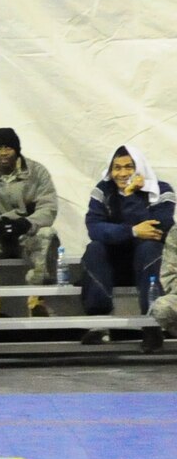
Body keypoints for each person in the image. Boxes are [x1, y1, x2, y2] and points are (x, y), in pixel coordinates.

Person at [81, 146, 172, 349]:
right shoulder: (103, 190)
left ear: (139, 168)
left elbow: (160, 227)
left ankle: (152, 326)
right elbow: (94, 227)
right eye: (117, 168)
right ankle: (98, 324)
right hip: (113, 267)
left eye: (129, 167)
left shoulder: (162, 190)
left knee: (149, 246)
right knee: (95, 248)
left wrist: (131, 196)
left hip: (148, 266)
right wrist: (132, 231)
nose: (122, 173)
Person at [0, 127, 58, 314]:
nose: (3, 153)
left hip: (26, 235)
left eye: (8, 147)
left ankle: (37, 300)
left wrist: (27, 224)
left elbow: (48, 207)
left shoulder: (37, 172)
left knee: (47, 234)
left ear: (17, 150)